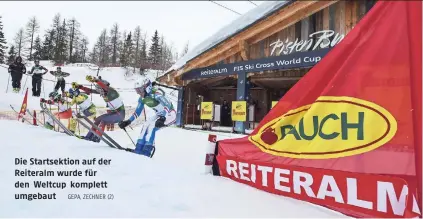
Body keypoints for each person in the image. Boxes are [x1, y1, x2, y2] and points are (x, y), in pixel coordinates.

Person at [118, 76, 176, 157]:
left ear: (147, 87)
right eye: (137, 90)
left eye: (140, 89)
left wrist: (163, 118)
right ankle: (138, 148)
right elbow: (137, 112)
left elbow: (167, 105)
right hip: (159, 114)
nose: (139, 92)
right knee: (146, 124)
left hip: (170, 113)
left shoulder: (156, 93)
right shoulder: (142, 99)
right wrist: (128, 121)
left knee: (152, 126)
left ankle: (147, 151)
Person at [71, 75, 125, 142]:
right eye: (98, 90)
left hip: (120, 114)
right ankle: (89, 137)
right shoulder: (103, 91)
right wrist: (79, 86)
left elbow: (104, 87)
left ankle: (97, 137)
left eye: (99, 89)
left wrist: (95, 80)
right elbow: (90, 90)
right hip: (113, 113)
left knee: (103, 120)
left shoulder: (111, 91)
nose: (99, 92)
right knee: (97, 120)